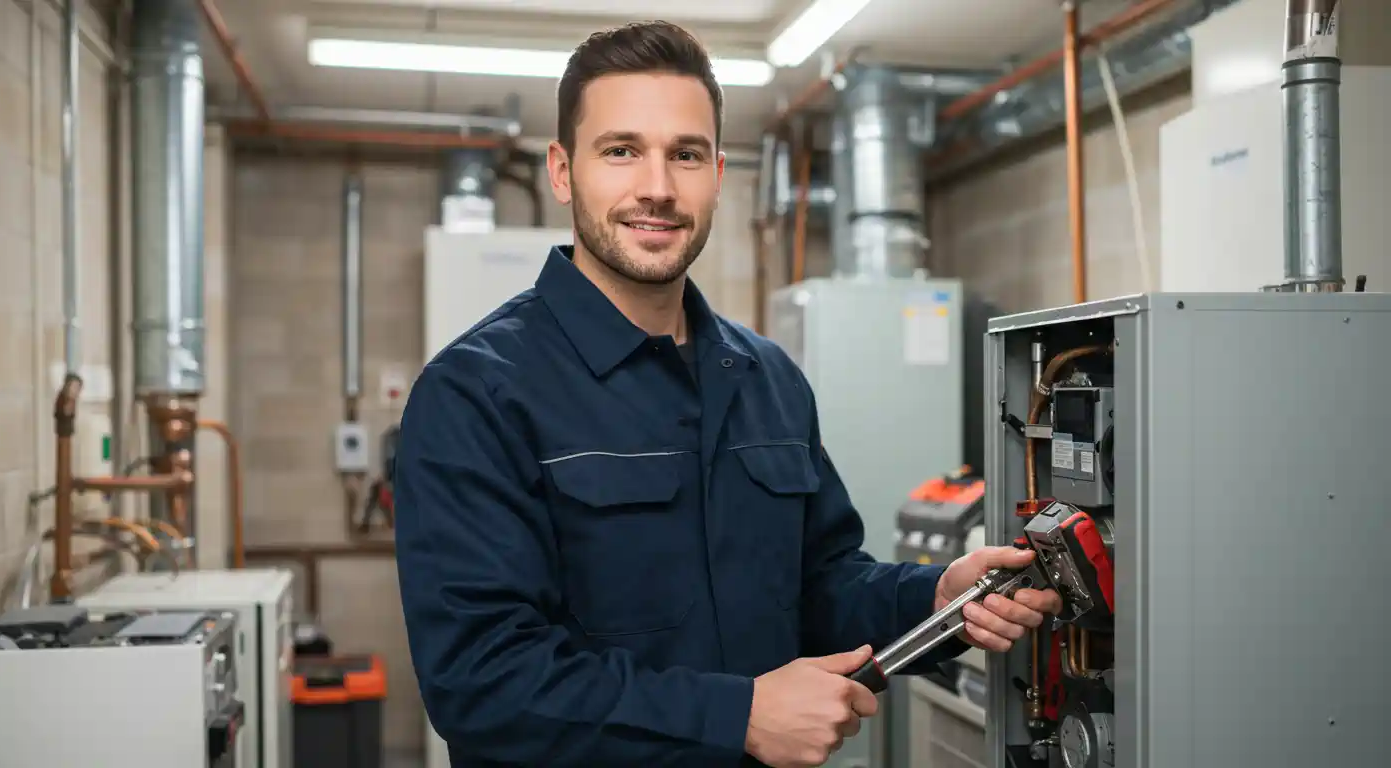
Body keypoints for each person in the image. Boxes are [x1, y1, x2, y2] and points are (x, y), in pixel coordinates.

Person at [394, 20, 1062, 768]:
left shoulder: (768, 379)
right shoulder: (475, 393)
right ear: (561, 170)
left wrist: (934, 595)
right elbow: (482, 682)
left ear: (716, 173)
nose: (656, 186)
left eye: (685, 154)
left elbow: (819, 585)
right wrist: (737, 715)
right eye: (621, 150)